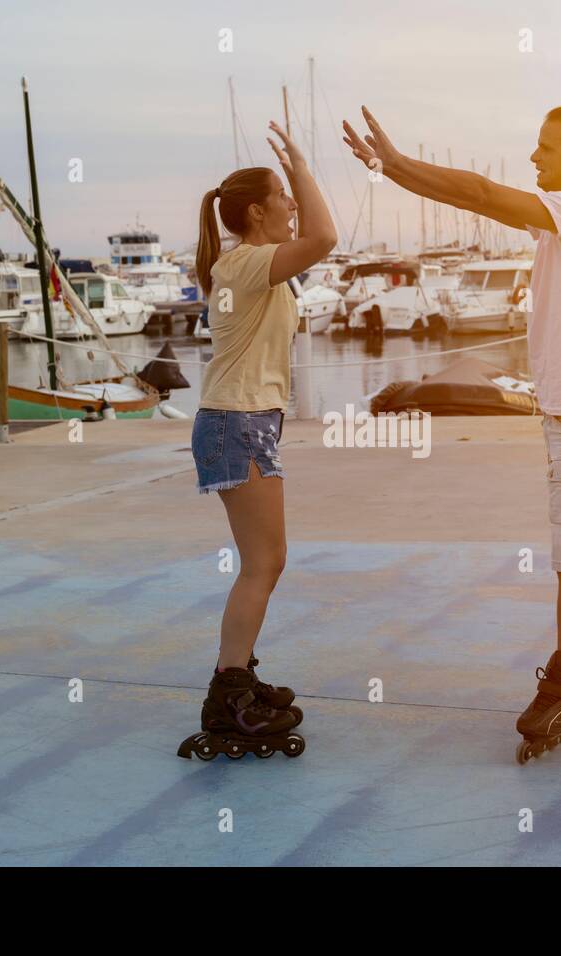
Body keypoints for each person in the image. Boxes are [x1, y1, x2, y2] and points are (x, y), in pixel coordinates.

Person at [342, 105, 561, 760]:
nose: (534, 159)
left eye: (546, 148)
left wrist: (396, 166)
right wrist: (391, 170)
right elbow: (481, 202)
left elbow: (481, 196)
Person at [188, 121, 337, 750]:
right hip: (236, 424)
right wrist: (303, 162)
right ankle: (228, 695)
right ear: (256, 211)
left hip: (244, 423)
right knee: (263, 563)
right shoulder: (247, 263)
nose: (293, 206)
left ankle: (237, 678)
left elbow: (312, 237)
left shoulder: (249, 265)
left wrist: (296, 177)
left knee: (264, 562)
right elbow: (325, 237)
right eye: (283, 197)